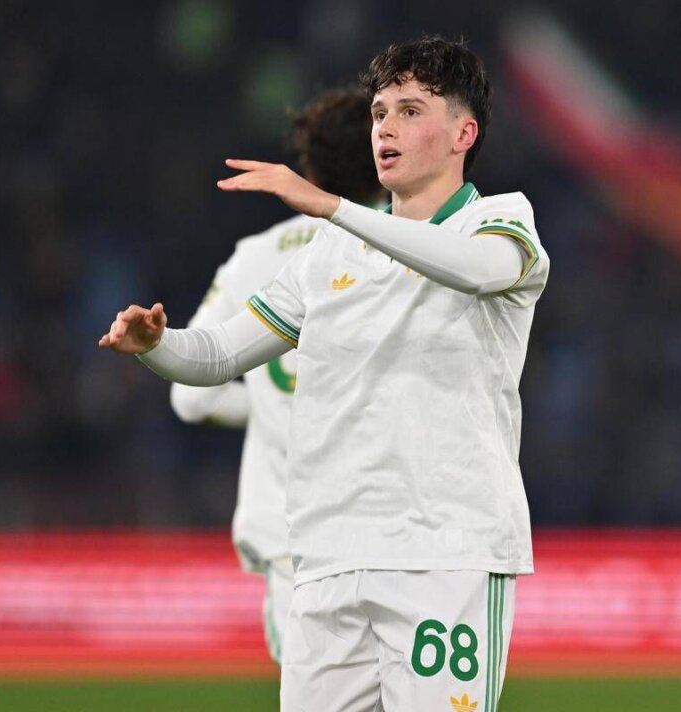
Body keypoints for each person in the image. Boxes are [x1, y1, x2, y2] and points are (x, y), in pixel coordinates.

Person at [100, 35, 549, 712]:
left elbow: (475, 270)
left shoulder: (500, 221)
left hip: (444, 555)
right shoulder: (329, 255)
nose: (386, 127)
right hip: (328, 558)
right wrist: (155, 347)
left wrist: (334, 208)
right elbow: (218, 355)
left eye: (410, 111)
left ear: (464, 133)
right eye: (379, 113)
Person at [168, 87, 386, 665]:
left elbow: (190, 398)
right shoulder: (409, 248)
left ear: (309, 171)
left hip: (288, 527)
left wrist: (266, 405)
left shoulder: (254, 255)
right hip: (385, 525)